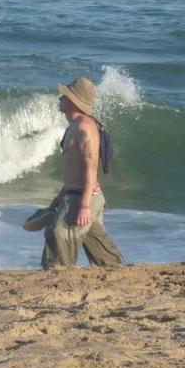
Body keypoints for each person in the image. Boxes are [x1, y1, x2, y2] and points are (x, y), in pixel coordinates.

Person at [34, 76, 125, 269]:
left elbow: (90, 169)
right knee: (102, 253)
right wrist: (57, 200)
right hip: (78, 195)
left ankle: (58, 276)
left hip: (83, 198)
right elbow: (73, 171)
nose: (60, 99)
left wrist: (84, 206)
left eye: (64, 96)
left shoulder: (84, 128)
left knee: (57, 236)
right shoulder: (74, 126)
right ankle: (115, 269)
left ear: (73, 102)